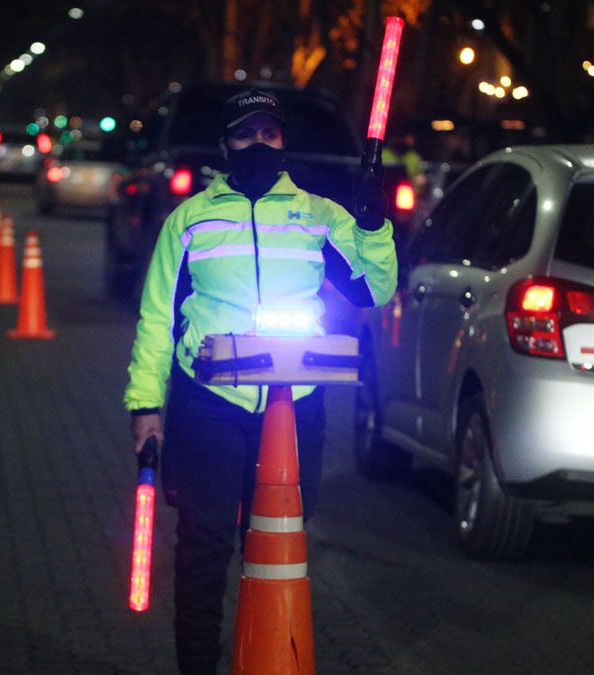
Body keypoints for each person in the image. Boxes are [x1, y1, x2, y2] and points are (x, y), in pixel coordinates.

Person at [123, 88, 397, 674]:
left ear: (283, 142)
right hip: (210, 404)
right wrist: (145, 404)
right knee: (204, 547)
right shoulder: (190, 220)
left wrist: (373, 225)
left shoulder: (320, 216)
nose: (258, 144)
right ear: (225, 145)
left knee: (274, 543)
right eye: (245, 134)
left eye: (269, 133)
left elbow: (375, 290)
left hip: (294, 405)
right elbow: (155, 318)